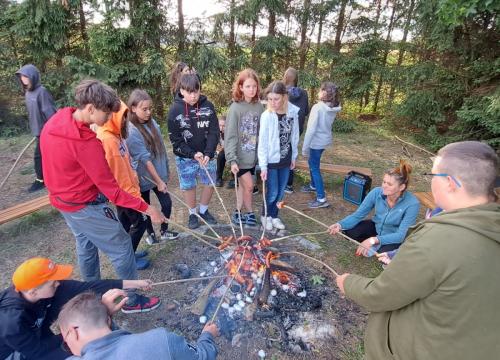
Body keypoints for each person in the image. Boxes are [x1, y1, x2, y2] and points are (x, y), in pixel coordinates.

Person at [335, 141, 500, 360]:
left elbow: (381, 294)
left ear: (450, 183)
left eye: (433, 176)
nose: (431, 183)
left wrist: (347, 282)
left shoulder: (435, 239)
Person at [40, 79, 163, 313]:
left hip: (61, 201)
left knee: (86, 245)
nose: (108, 119)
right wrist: (147, 209)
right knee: (122, 247)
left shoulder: (57, 119)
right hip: (82, 205)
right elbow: (114, 192)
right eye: (106, 114)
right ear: (90, 109)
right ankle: (132, 300)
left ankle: (90, 295)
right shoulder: (86, 144)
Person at [0, 257, 154, 360]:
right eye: (53, 283)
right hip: (16, 352)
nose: (59, 284)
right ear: (33, 291)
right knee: (85, 348)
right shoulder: (12, 322)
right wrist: (83, 330)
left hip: (37, 336)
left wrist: (135, 284)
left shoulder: (44, 290)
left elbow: (91, 287)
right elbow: (37, 352)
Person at [57, 291, 219, 360]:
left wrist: (106, 315)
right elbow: (202, 357)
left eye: (65, 342)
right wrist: (207, 336)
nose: (67, 347)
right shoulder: (160, 341)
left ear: (73, 332)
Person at [96, 101, 150, 270]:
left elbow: (126, 163)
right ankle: (129, 258)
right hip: (125, 194)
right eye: (123, 118)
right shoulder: (109, 140)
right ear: (112, 117)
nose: (126, 121)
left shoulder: (116, 134)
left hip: (126, 192)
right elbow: (119, 175)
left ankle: (126, 253)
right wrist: (135, 198)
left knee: (125, 224)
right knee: (141, 223)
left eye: (126, 117)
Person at [329, 160, 420, 256]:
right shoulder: (376, 192)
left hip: (394, 235)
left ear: (401, 187)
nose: (384, 186)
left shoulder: (412, 204)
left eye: (389, 184)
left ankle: (382, 246)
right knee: (350, 231)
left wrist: (373, 240)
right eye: (384, 182)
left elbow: (401, 235)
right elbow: (358, 215)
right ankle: (374, 243)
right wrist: (340, 224)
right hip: (377, 227)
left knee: (384, 253)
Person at [126, 89, 179, 245]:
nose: (148, 112)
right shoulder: (132, 131)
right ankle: (150, 233)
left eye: (150, 108)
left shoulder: (153, 123)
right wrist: (159, 181)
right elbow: (145, 159)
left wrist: (166, 171)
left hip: (158, 175)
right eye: (144, 109)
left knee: (167, 203)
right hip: (144, 177)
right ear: (133, 108)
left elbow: (161, 150)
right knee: (147, 207)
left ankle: (164, 230)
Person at [168, 73, 220, 229]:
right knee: (189, 186)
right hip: (186, 157)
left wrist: (209, 153)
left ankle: (203, 210)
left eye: (196, 91)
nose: (193, 96)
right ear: (182, 91)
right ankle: (193, 213)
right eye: (189, 92)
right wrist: (192, 154)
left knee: (210, 183)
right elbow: (175, 141)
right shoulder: (174, 110)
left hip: (207, 155)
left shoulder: (208, 106)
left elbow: (214, 132)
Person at [258, 81, 300, 231]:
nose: (273, 102)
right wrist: (263, 166)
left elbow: (294, 136)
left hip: (286, 159)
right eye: (270, 99)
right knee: (273, 191)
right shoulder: (267, 116)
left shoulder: (292, 113)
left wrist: (294, 156)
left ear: (284, 97)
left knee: (281, 192)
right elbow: (262, 143)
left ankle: (275, 216)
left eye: (276, 99)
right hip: (271, 160)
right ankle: (265, 216)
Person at [225, 69, 264, 227]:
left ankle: (237, 211)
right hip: (239, 157)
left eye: (254, 86)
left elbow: (261, 131)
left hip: (252, 156)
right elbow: (230, 135)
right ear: (240, 87)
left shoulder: (259, 107)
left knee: (243, 186)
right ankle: (249, 212)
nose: (251, 90)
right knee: (249, 185)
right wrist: (232, 159)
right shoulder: (235, 108)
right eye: (248, 86)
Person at [15, 64, 57, 192]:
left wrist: (51, 130)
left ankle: (41, 180)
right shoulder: (28, 92)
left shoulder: (42, 92)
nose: (23, 78)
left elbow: (50, 112)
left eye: (26, 76)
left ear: (32, 76)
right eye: (21, 76)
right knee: (45, 155)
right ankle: (49, 178)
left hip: (47, 131)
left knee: (39, 156)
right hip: (38, 131)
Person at [301, 82, 341, 209]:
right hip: (324, 140)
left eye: (320, 90)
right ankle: (313, 185)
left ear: (324, 93)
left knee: (314, 168)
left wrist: (305, 147)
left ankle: (321, 198)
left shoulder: (318, 108)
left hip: (316, 142)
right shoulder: (333, 107)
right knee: (313, 163)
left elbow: (311, 130)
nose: (318, 91)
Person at [282, 67, 309, 194]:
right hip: (298, 128)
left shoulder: (282, 92)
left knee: (283, 152)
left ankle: (284, 182)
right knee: (291, 152)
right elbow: (306, 111)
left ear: (285, 77)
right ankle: (289, 184)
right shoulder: (304, 93)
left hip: (284, 127)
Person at [215, 115, 226, 187]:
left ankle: (235, 178)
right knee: (221, 155)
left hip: (229, 151)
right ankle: (218, 178)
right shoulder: (215, 132)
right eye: (220, 125)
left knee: (222, 154)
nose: (221, 128)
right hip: (219, 152)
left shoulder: (230, 132)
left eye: (224, 126)